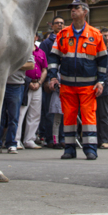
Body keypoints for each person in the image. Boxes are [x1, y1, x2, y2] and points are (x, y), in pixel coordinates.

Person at [47, 0, 108, 160]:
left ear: (85, 12)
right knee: (68, 116)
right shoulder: (62, 34)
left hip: (88, 85)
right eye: (72, 8)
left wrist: (101, 81)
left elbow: (103, 61)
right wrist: (53, 78)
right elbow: (53, 58)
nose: (73, 10)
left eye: (77, 8)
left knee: (89, 117)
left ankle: (90, 149)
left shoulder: (95, 35)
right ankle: (69, 148)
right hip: (67, 85)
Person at [16, 36, 48, 150]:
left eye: (34, 34)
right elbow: (17, 67)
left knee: (35, 113)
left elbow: (44, 69)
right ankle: (16, 140)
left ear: (36, 37)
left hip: (37, 85)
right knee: (21, 112)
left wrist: (39, 83)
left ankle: (29, 139)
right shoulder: (22, 50)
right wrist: (28, 82)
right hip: (25, 85)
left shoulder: (41, 52)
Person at [39, 17, 65, 147]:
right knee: (50, 110)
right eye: (57, 23)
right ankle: (50, 139)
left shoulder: (66, 39)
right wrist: (46, 80)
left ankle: (63, 138)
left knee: (63, 111)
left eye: (62, 23)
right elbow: (44, 62)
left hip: (64, 78)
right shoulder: (46, 43)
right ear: (52, 26)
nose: (60, 25)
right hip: (51, 78)